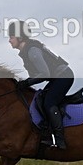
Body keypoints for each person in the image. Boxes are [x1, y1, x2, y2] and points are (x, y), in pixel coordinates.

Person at [8, 20, 73, 149]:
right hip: (57, 78)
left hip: (63, 76)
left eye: (11, 37)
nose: (9, 40)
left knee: (49, 103)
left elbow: (44, 74)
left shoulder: (32, 51)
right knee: (41, 100)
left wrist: (27, 82)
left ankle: (59, 140)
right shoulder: (27, 50)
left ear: (20, 38)